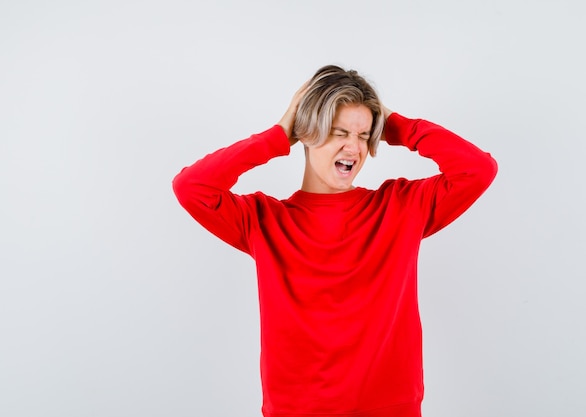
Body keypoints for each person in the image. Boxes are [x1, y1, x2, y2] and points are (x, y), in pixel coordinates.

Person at [172, 65, 498, 417]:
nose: (353, 147)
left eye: (363, 135)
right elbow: (192, 188)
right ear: (307, 133)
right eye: (339, 132)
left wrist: (396, 125)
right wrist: (278, 135)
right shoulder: (263, 220)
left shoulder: (401, 207)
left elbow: (477, 170)